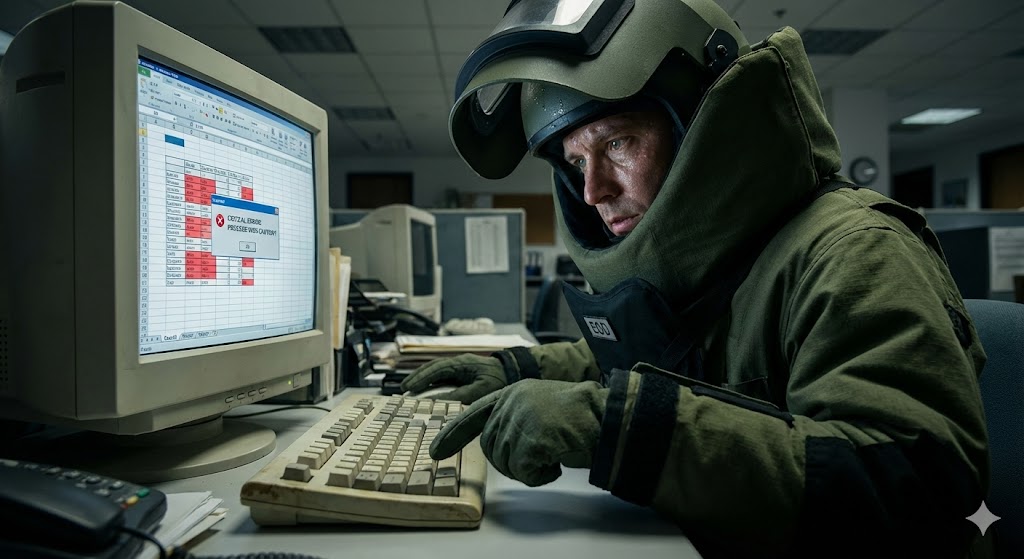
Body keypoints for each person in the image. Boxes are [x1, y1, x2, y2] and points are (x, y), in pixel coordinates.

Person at [402, 1, 990, 557]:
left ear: (706, 125)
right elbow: (656, 354)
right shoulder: (714, 255)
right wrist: (518, 370)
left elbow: (906, 481)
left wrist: (619, 427)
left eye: (618, 142)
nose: (593, 190)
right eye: (577, 161)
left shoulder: (854, 251)